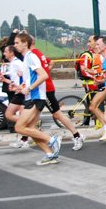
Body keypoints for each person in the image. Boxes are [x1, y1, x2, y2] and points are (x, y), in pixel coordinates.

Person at [12, 33, 62, 165]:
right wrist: (19, 87)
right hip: (33, 96)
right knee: (31, 128)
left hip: (35, 97)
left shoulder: (31, 56)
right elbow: (31, 79)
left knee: (19, 127)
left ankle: (52, 140)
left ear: (25, 43)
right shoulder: (26, 58)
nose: (15, 45)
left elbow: (43, 75)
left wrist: (28, 89)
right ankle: (50, 154)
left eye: (17, 43)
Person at [31, 43, 87, 151]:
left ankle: (76, 136)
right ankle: (39, 139)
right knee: (33, 117)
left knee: (57, 114)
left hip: (44, 89)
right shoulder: (37, 53)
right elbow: (50, 63)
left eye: (17, 43)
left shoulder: (32, 55)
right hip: (40, 89)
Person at [0, 45, 29, 148]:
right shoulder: (12, 64)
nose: (3, 53)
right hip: (18, 91)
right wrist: (5, 81)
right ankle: (26, 135)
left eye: (5, 51)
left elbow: (28, 74)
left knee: (9, 114)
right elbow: (15, 79)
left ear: (11, 53)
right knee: (17, 114)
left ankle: (30, 128)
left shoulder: (17, 63)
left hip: (22, 92)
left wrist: (21, 86)